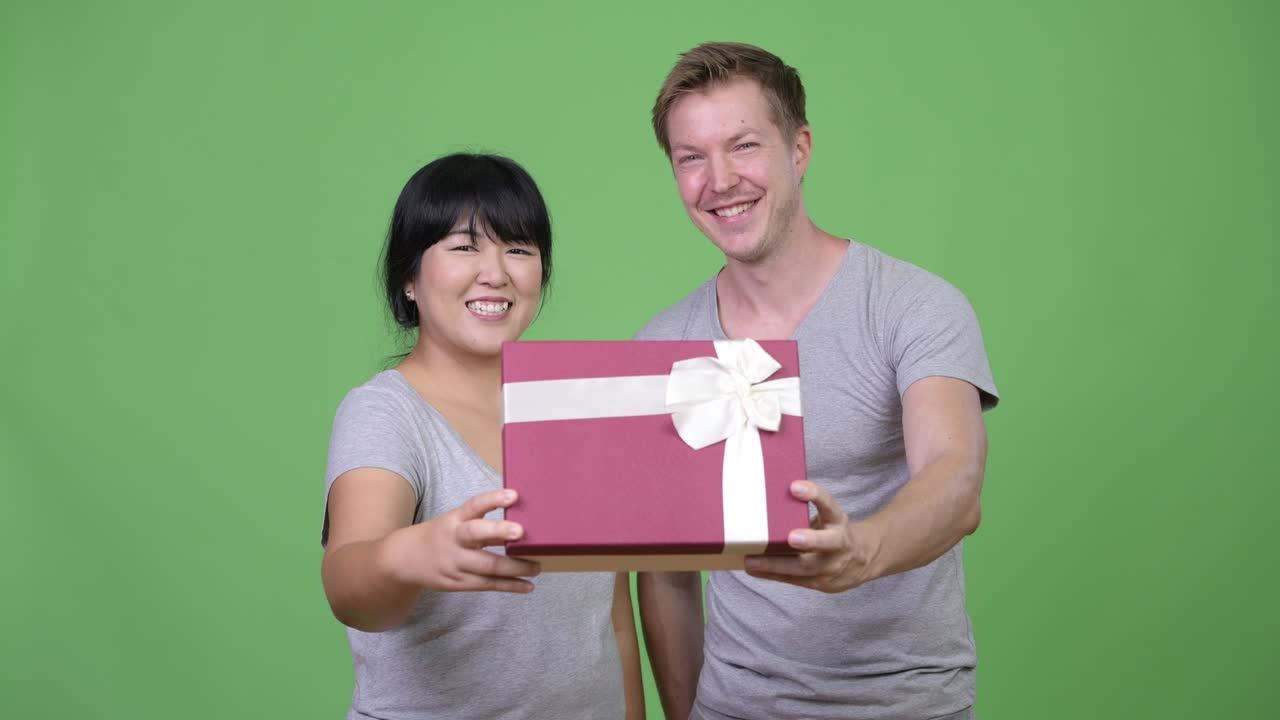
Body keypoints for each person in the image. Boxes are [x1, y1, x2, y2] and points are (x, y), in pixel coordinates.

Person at [635, 43, 1000, 720]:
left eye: (744, 145)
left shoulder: (913, 305)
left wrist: (862, 550)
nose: (719, 180)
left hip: (907, 705)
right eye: (692, 157)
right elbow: (665, 571)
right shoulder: (662, 346)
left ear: (798, 150)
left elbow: (955, 479)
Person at [320, 153, 645, 720]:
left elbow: (613, 616)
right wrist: (408, 556)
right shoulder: (386, 413)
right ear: (409, 277)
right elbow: (348, 583)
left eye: (519, 249)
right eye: (464, 246)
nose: (495, 271)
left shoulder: (578, 403)